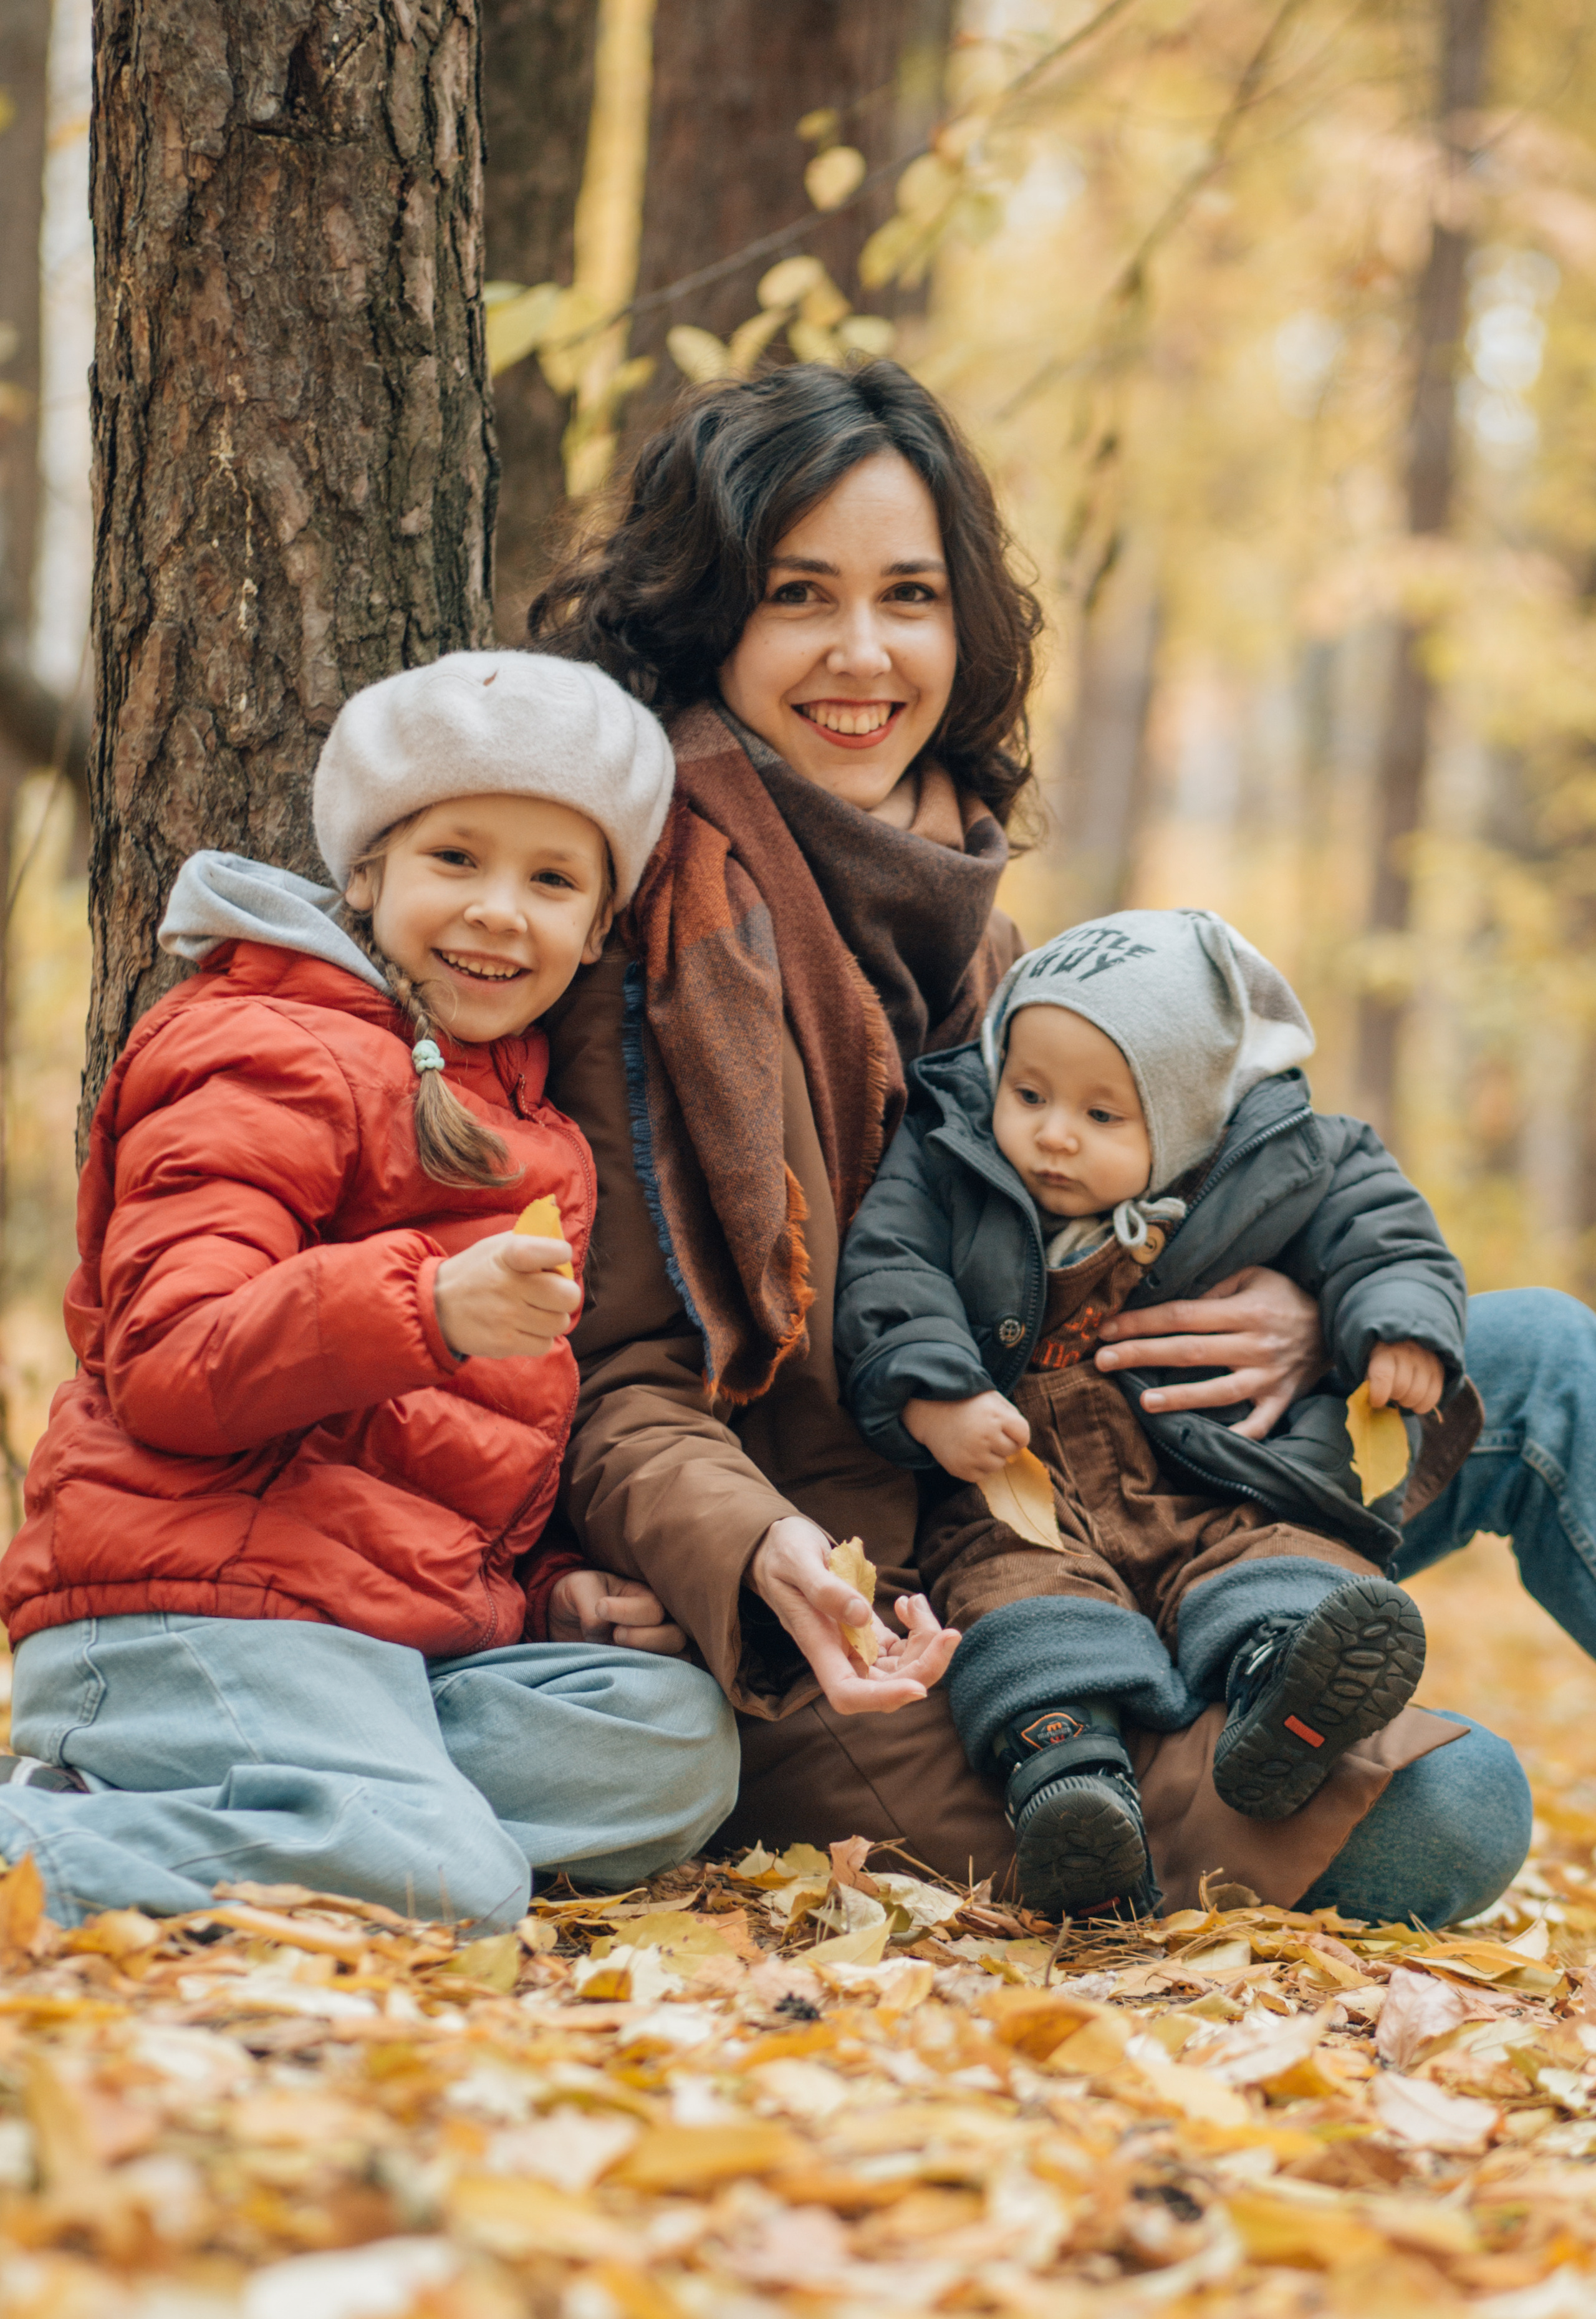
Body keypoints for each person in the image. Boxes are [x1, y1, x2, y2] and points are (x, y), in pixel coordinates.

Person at [532, 355, 1576, 1928]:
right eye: (799, 595)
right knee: (1448, 1811)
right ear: (708, 616)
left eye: (909, 595)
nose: (863, 653)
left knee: (1543, 1361)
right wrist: (759, 1559)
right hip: (890, 1587)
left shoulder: (967, 905)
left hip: (1113, 1458)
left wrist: (1307, 1309)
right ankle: (1135, 1735)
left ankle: (1233, 1663)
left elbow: (1134, 1180)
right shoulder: (649, 933)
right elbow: (622, 1386)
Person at [0, 652, 738, 1928]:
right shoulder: (269, 1042)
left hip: (383, 1641)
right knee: (447, 1886)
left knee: (670, 1743)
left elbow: (450, 1458)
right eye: (457, 859)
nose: (500, 911)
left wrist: (555, 1588)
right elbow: (173, 1361)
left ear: (596, 925)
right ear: (369, 873)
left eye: (551, 880)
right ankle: (71, 1834)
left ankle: (220, 1809)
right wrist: (428, 1306)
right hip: (193, 1605)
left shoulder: (535, 1122)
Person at [835, 907, 1482, 1916]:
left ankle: (1288, 1692)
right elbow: (891, 1270)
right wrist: (936, 1394)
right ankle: (1069, 1788)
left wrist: (1396, 1327)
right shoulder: (949, 1153)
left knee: (1269, 1554)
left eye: (1103, 1117)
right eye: (1030, 1093)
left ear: (1185, 1119)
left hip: (1205, 1465)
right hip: (1018, 1485)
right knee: (1017, 1600)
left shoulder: (1282, 1160)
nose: (1052, 1134)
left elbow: (1382, 1229)